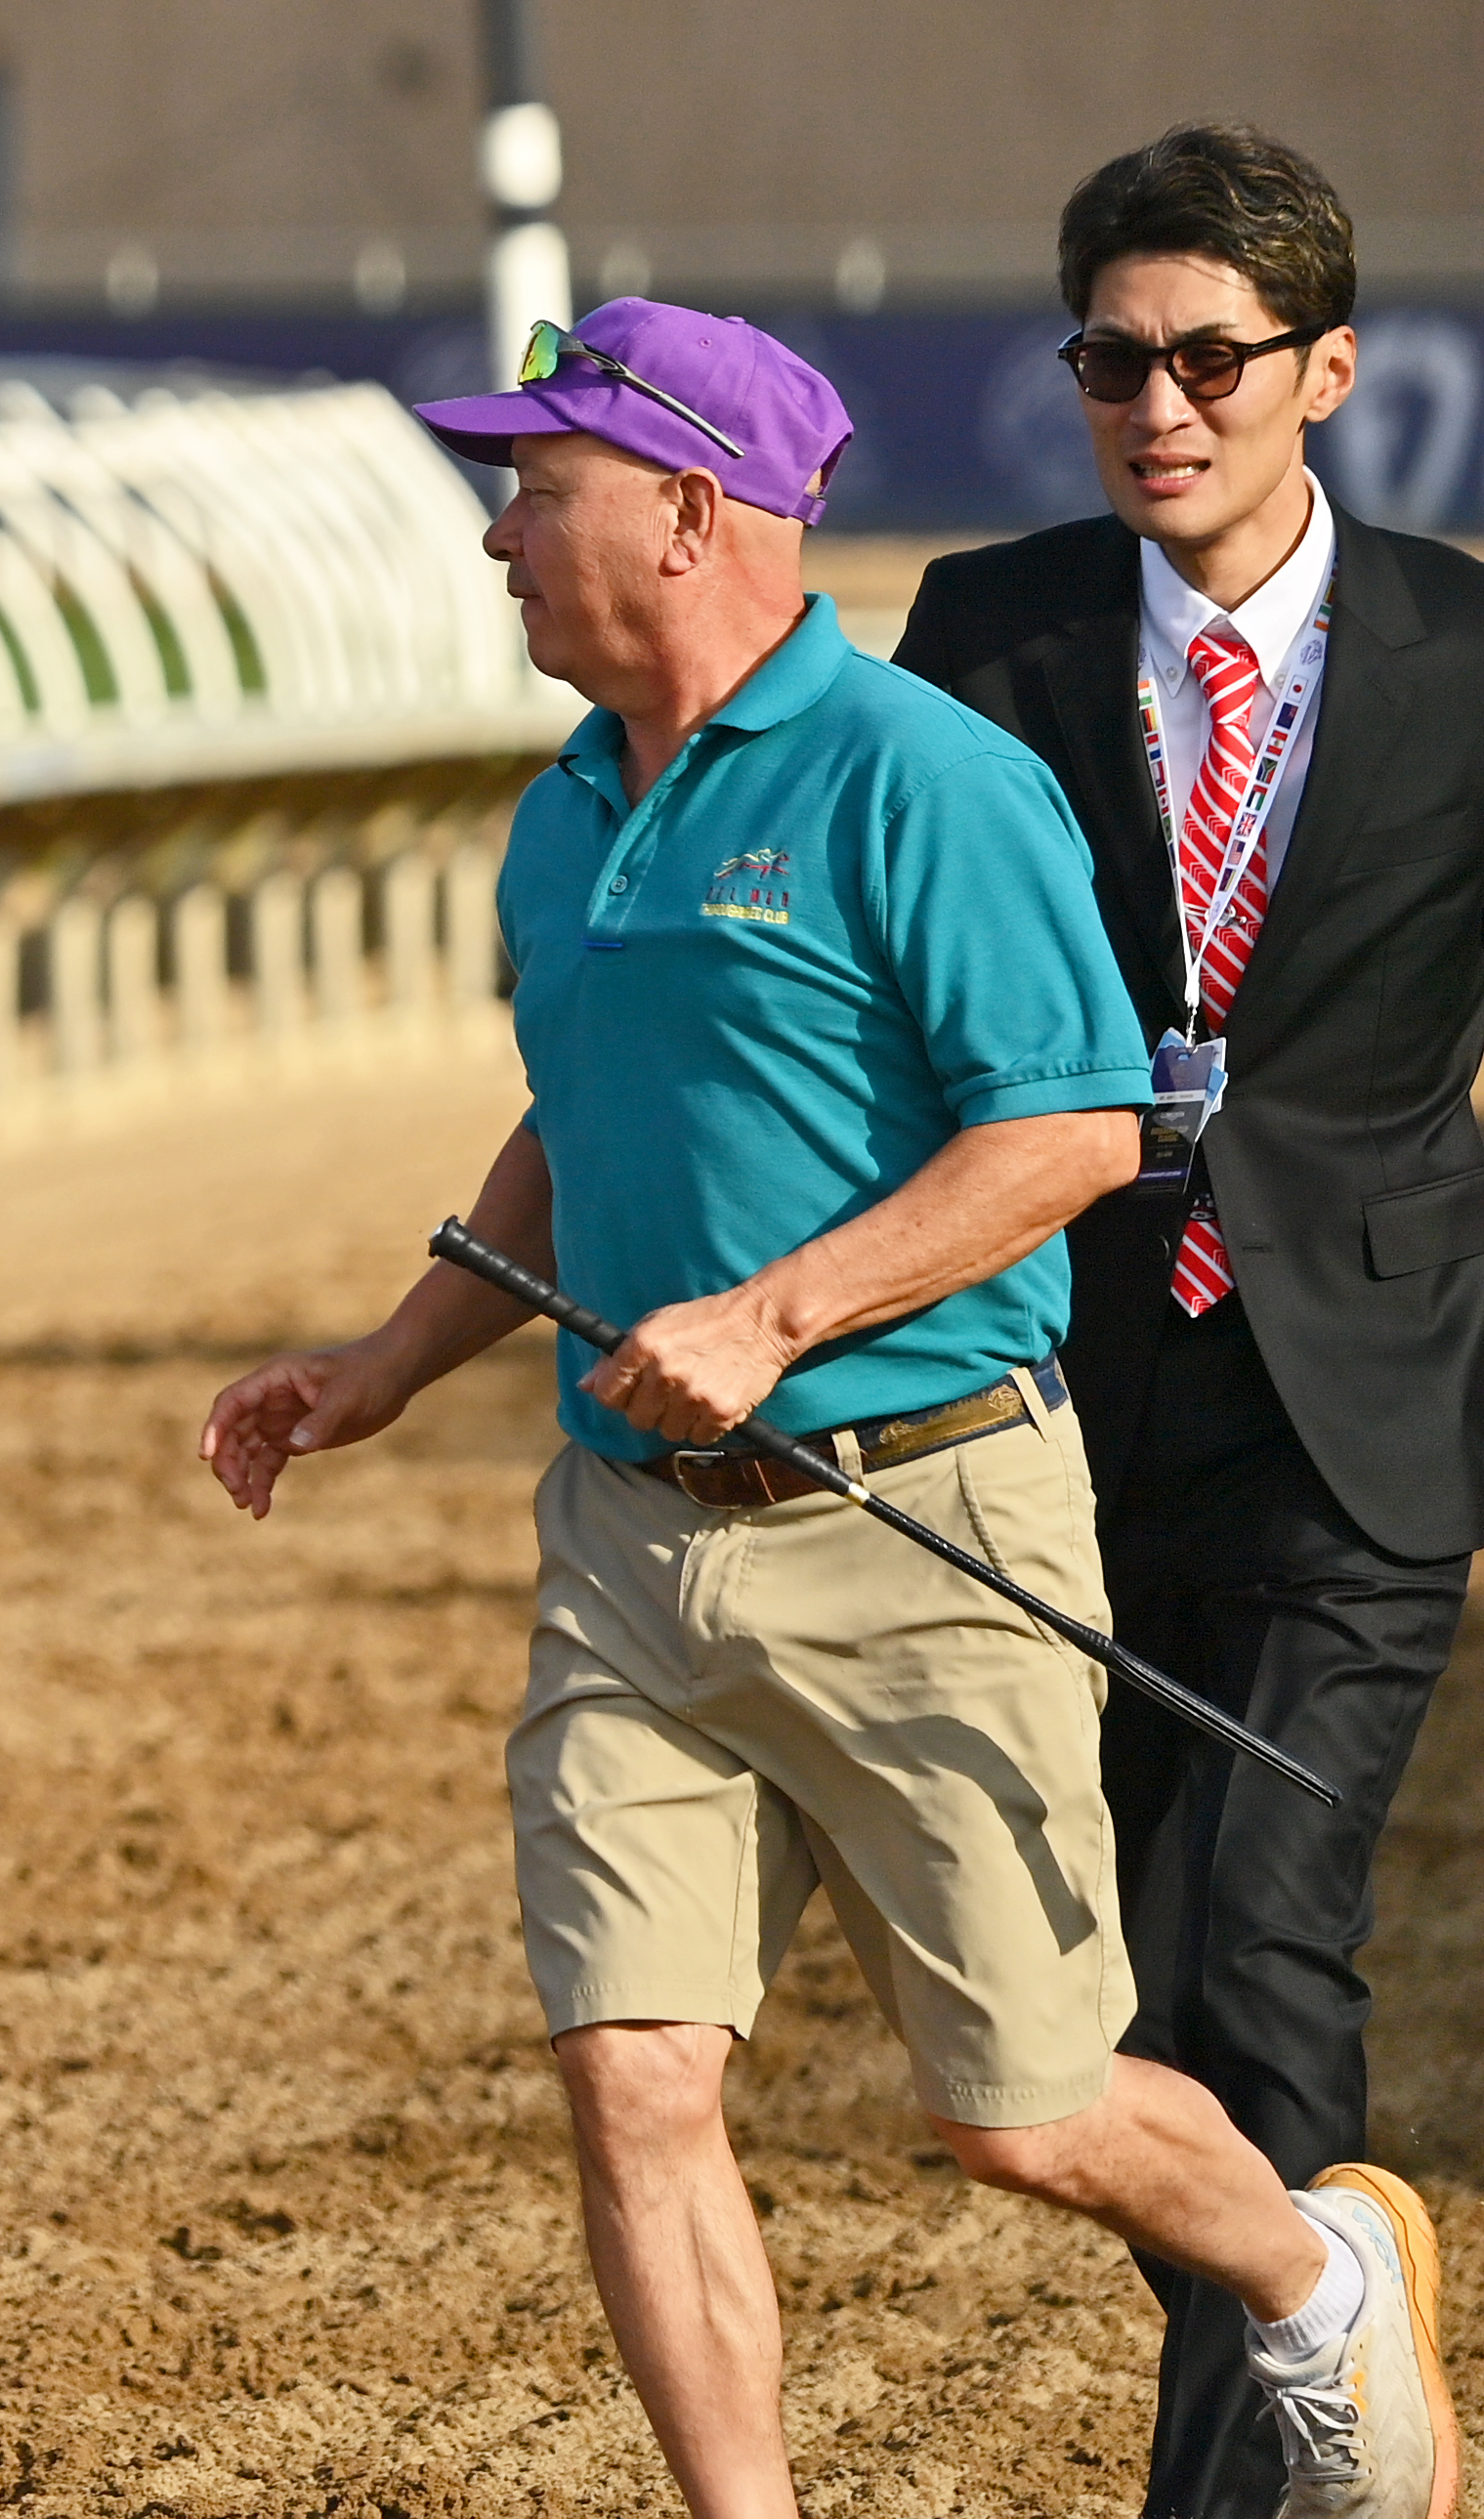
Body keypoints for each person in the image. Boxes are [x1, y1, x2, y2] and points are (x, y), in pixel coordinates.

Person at [197, 296, 1450, 2519]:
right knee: (635, 2077)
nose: (496, 533)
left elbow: (1063, 1131)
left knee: (1027, 2112)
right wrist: (388, 1362)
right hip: (627, 1546)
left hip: (923, 1526)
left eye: (535, 483)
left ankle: (1315, 2276)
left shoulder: (922, 777)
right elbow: (578, 1122)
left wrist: (775, 1314)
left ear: (684, 511)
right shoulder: (567, 806)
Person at [892, 127, 1484, 2519]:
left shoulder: (1465, 651)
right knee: (1139, 1999)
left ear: (1322, 369)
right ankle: (1336, 2372)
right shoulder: (991, 632)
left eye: (1210, 358)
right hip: (1066, 1405)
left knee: (1262, 1948)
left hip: (1365, 1407)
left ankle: (1248, 2490)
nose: (1160, 404)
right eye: (1111, 358)